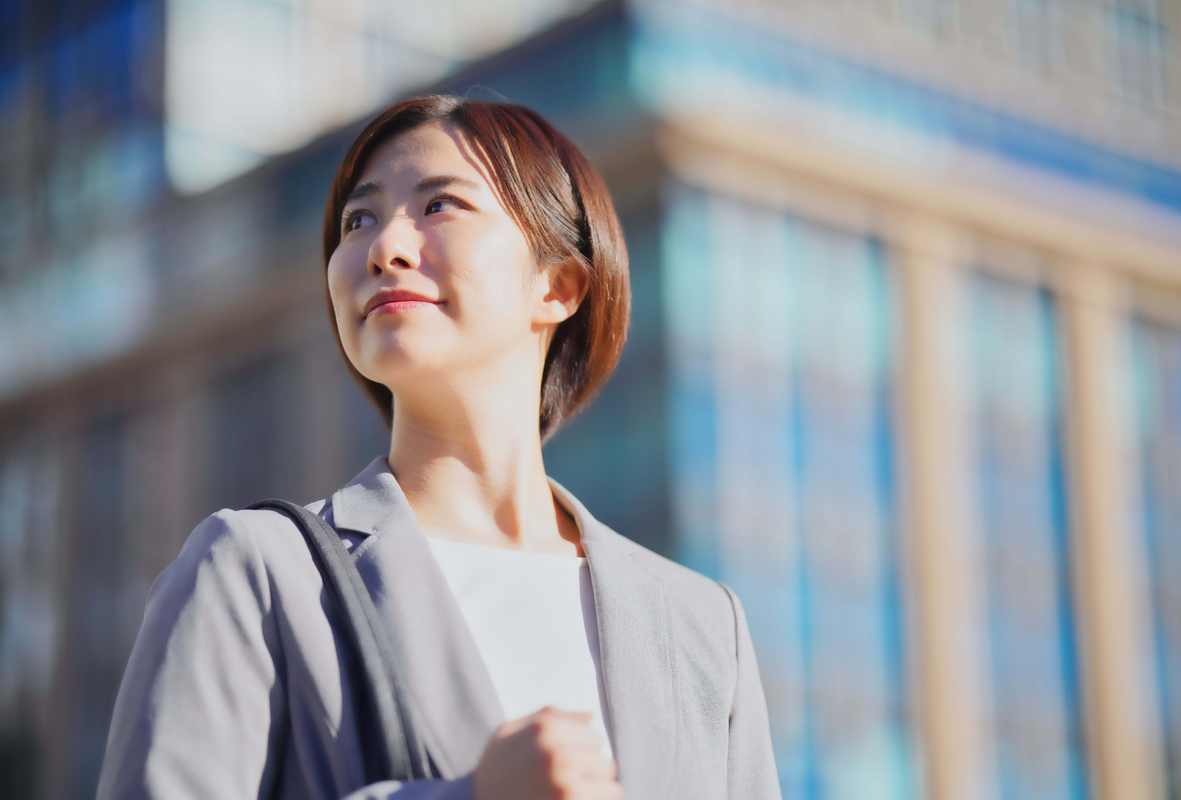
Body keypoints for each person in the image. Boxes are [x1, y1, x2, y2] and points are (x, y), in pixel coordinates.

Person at [96, 95, 781, 800]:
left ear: (559, 284)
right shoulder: (256, 573)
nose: (383, 247)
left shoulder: (700, 627)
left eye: (439, 205)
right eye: (357, 220)